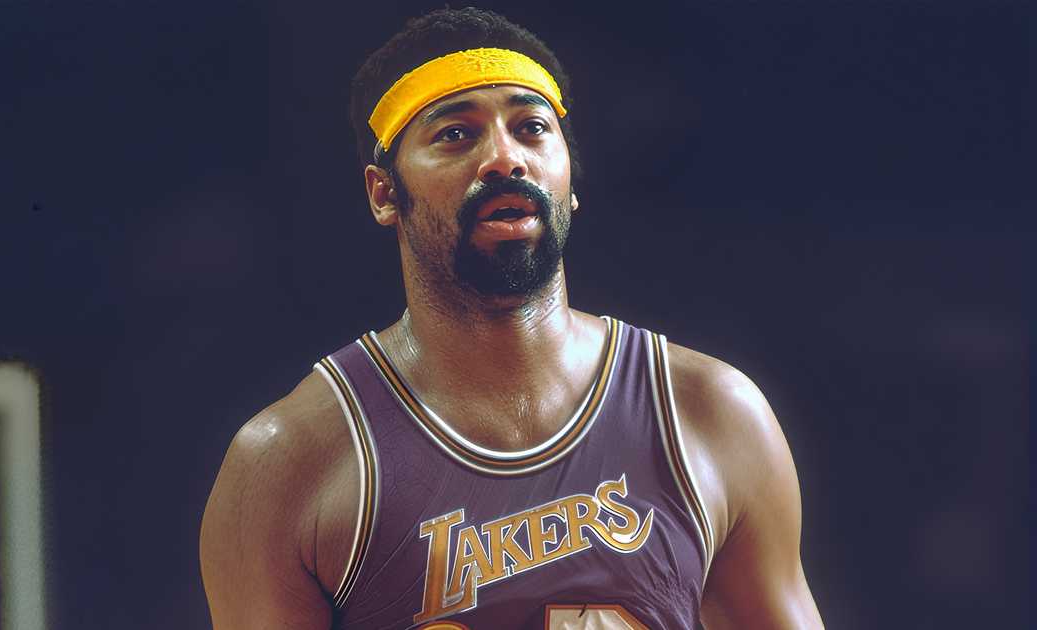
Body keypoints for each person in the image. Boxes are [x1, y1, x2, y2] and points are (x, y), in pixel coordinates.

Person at [200, 7, 824, 629]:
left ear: (570, 181)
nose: (505, 158)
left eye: (531, 128)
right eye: (455, 134)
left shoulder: (712, 411)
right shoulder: (287, 464)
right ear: (384, 193)